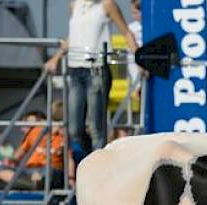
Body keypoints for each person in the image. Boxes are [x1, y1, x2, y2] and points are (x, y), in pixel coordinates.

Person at [43, 0, 139, 159]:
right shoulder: (75, 5)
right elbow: (72, 36)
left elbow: (126, 32)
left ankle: (97, 167)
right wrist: (56, 58)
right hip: (75, 69)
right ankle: (94, 161)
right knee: (74, 129)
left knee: (96, 128)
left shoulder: (107, 4)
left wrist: (139, 58)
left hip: (97, 69)